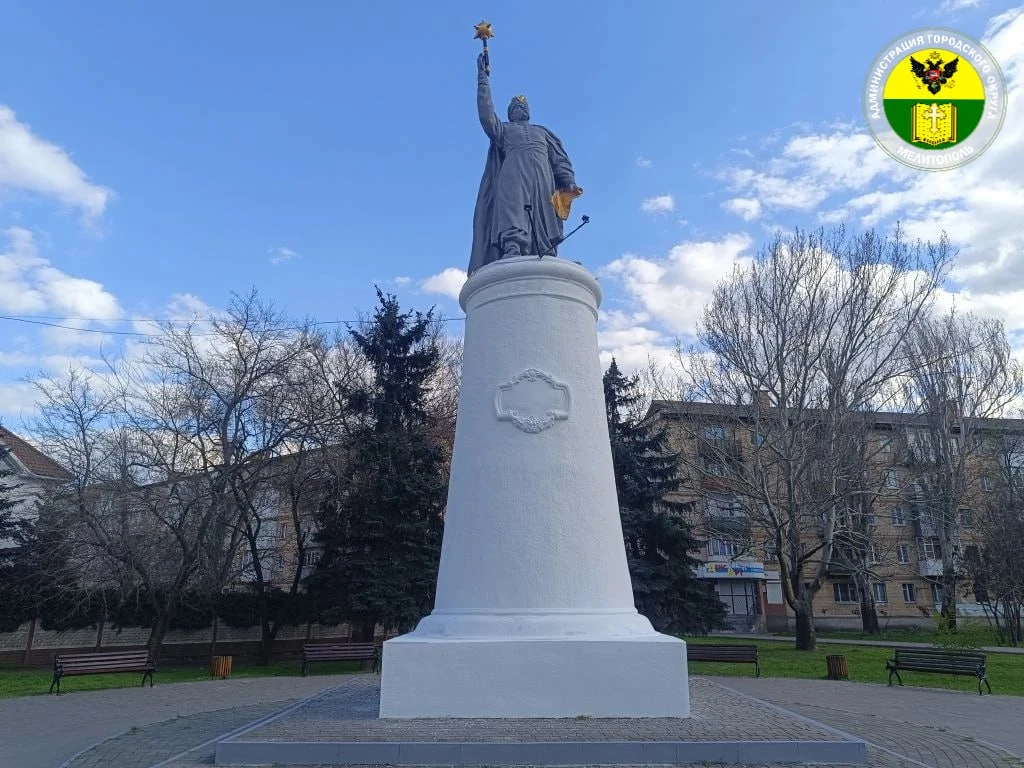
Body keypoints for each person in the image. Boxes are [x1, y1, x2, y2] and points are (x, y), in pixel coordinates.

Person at [469, 53, 580, 275]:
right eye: (516, 107)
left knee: (545, 211)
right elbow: (486, 116)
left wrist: (568, 179)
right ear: (510, 114)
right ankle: (513, 246)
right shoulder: (504, 130)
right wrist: (483, 79)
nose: (521, 107)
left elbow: (559, 158)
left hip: (543, 176)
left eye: (523, 106)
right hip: (513, 174)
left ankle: (545, 248)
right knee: (513, 208)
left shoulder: (542, 132)